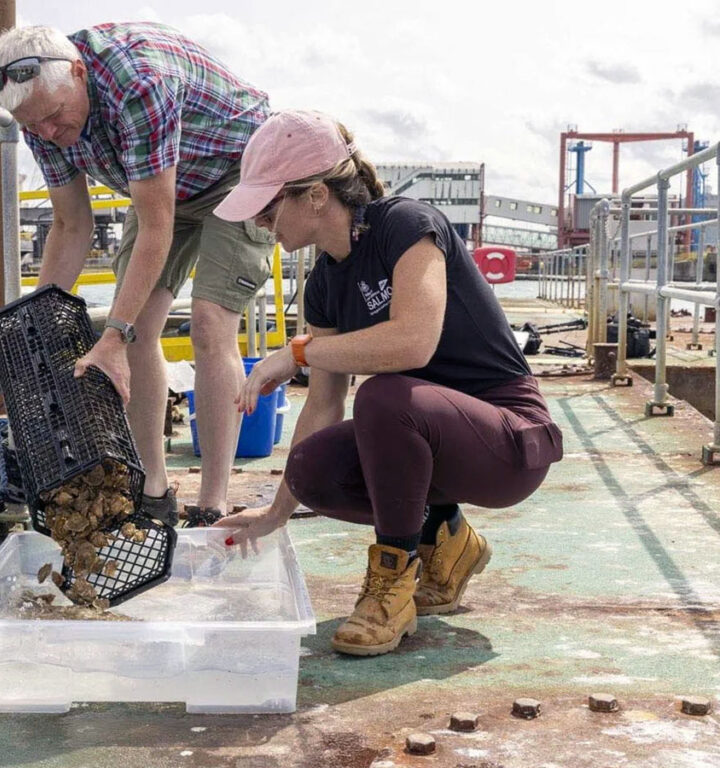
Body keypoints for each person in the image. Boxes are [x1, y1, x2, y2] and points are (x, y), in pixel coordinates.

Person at [213, 110, 563, 656]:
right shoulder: (325, 283)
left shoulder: (405, 225)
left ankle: (392, 586)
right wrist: (277, 511)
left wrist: (298, 352)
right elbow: (324, 403)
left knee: (383, 396)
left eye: (266, 205)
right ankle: (446, 537)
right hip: (434, 435)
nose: (259, 221)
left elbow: (413, 343)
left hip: (510, 440)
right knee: (314, 469)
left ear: (314, 195)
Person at [0, 23, 274, 527]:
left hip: (236, 173)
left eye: (55, 117)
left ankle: (212, 501)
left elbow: (156, 227)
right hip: (161, 184)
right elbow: (70, 224)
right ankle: (154, 492)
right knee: (138, 332)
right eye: (34, 127)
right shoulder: (41, 116)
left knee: (209, 325)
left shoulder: (139, 82)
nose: (48, 133)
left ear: (78, 72)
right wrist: (32, 325)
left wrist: (113, 335)